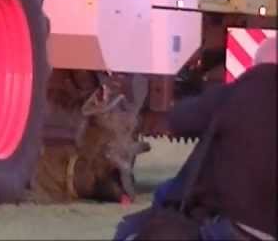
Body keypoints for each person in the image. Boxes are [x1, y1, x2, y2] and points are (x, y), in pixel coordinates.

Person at [114, 36, 277, 241]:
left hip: (231, 224)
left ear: (257, 65)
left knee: (138, 223)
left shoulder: (236, 94)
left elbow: (179, 120)